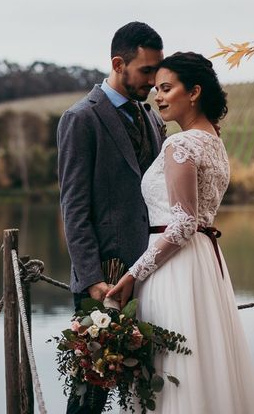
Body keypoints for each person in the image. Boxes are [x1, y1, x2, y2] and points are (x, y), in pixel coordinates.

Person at [107, 52, 254, 413]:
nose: (157, 96)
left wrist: (134, 274)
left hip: (174, 269)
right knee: (203, 362)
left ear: (193, 92)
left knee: (176, 369)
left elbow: (182, 222)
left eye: (166, 88)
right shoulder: (214, 141)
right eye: (156, 89)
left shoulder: (180, 144)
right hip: (204, 264)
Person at [57, 21, 167, 413]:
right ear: (119, 63)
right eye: (146, 70)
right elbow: (74, 206)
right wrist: (91, 280)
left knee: (146, 386)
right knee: (90, 392)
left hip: (151, 272)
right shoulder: (81, 119)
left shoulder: (153, 119)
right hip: (104, 276)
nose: (154, 81)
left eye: (158, 70)